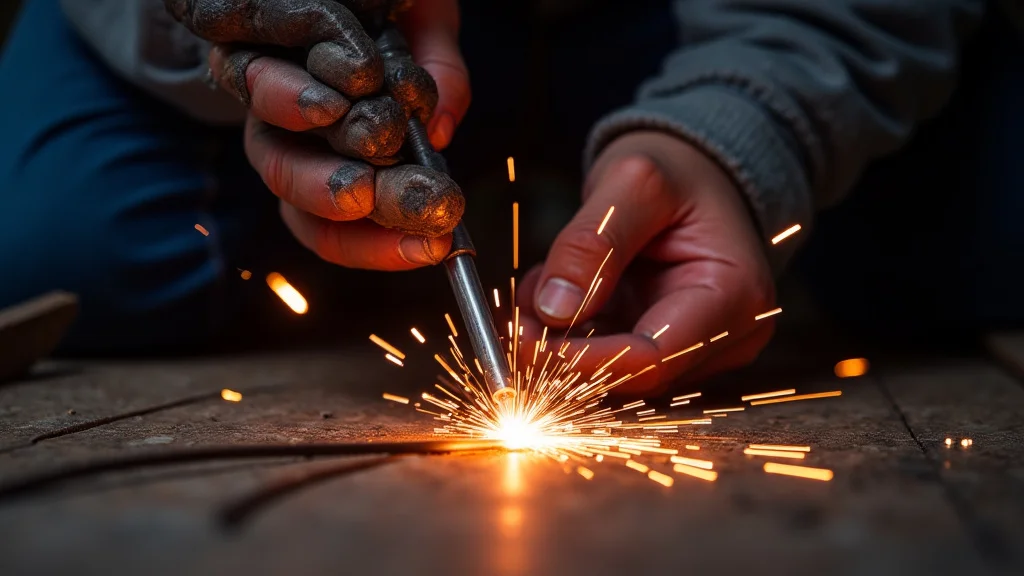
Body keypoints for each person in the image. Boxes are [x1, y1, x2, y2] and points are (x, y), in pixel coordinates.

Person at [0, 0, 1006, 395]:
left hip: (691, 17)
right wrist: (228, 26)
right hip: (352, 22)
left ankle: (732, 218)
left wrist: (753, 128)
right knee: (64, 242)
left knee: (989, 238)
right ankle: (353, 259)